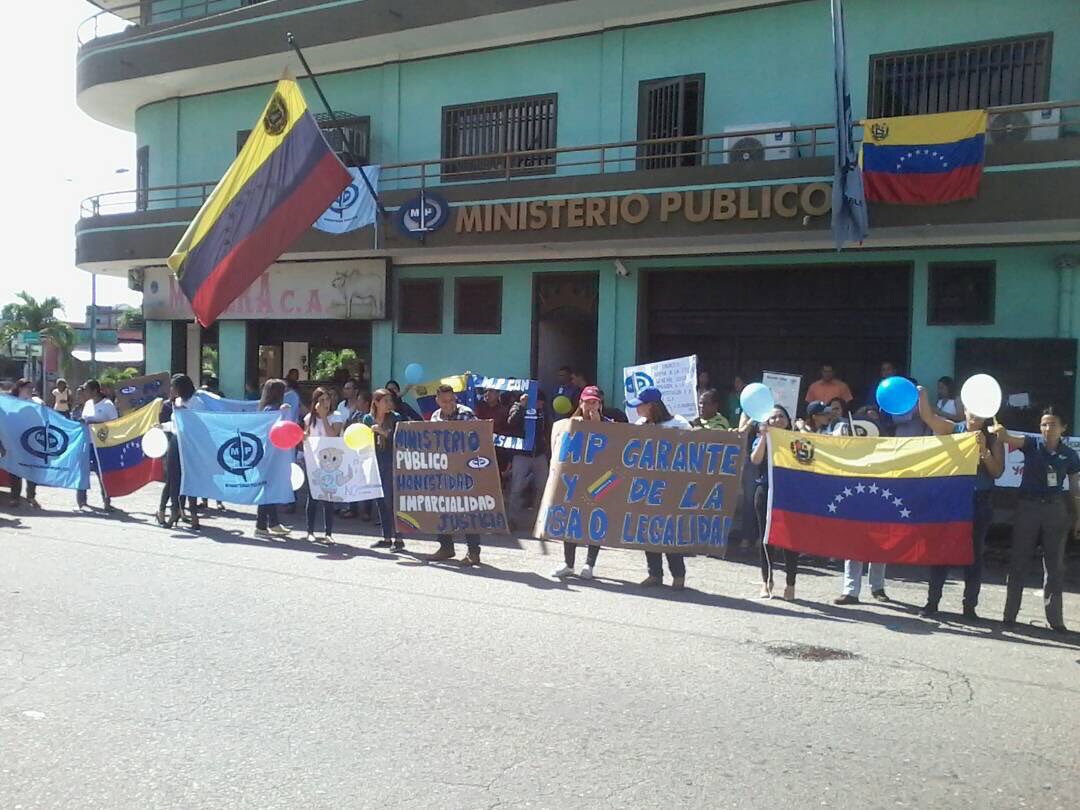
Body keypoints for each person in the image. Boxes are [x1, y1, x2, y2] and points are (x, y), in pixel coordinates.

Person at [916, 386, 1004, 620]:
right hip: (952, 501)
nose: (975, 417)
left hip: (979, 502)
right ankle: (932, 603)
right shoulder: (953, 429)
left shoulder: (993, 438)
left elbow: (997, 472)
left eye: (980, 413)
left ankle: (969, 608)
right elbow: (927, 417)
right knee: (942, 552)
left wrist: (984, 450)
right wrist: (923, 394)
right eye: (971, 411)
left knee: (973, 555)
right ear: (964, 411)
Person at [990, 407, 1080, 632]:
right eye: (1043, 424)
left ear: (1063, 428)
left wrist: (1077, 516)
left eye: (1052, 424)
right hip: (1027, 508)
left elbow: (1074, 488)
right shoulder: (1031, 443)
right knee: (1018, 560)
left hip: (1055, 511)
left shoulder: (1069, 455)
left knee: (1054, 566)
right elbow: (1009, 438)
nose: (1047, 429)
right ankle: (1009, 615)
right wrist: (1002, 432)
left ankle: (1056, 620)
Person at [629, 386, 691, 588]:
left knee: (669, 532)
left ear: (652, 406)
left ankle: (678, 575)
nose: (637, 410)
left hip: (673, 488)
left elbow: (693, 449)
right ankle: (654, 573)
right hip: (647, 487)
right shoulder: (640, 424)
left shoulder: (679, 423)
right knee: (649, 529)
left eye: (641, 406)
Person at [549, 388, 615, 579]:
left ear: (600, 405)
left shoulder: (611, 425)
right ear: (580, 403)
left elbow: (614, 451)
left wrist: (598, 425)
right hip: (574, 481)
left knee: (595, 520)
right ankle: (568, 564)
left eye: (594, 402)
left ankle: (589, 565)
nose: (591, 406)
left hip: (599, 481)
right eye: (587, 402)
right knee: (571, 520)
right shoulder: (569, 425)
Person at [426, 384, 483, 565]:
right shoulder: (435, 417)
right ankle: (446, 547)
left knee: (467, 511)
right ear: (437, 401)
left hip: (465, 471)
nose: (449, 404)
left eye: (451, 400)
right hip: (443, 472)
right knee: (442, 508)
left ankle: (473, 552)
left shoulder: (466, 414)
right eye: (444, 401)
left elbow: (479, 440)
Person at [749, 406, 799, 599]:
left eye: (781, 416)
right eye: (772, 417)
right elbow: (755, 460)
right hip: (765, 491)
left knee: (790, 540)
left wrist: (802, 430)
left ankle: (791, 584)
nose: (777, 420)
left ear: (788, 420)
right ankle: (766, 581)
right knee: (766, 538)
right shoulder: (763, 438)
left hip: (790, 494)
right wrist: (763, 436)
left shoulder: (796, 440)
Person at [157, 373, 203, 529]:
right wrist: (162, 427)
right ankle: (174, 511)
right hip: (176, 442)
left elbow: (200, 422)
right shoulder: (176, 401)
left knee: (190, 478)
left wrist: (184, 411)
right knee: (173, 478)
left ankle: (194, 515)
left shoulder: (196, 402)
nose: (172, 389)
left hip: (190, 443)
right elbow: (174, 424)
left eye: (174, 386)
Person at [364, 388, 405, 551]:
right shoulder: (368, 419)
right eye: (386, 401)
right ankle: (386, 537)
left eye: (390, 401)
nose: (390, 404)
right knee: (380, 499)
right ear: (376, 403)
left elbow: (399, 439)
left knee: (391, 501)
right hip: (374, 461)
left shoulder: (395, 418)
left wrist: (381, 431)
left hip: (390, 461)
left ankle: (399, 538)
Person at [507, 389, 550, 536]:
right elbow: (511, 423)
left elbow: (548, 429)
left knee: (543, 488)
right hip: (521, 454)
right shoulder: (518, 407)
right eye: (538, 402)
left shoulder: (543, 412)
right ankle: (512, 520)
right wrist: (522, 406)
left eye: (541, 403)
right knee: (517, 488)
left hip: (539, 454)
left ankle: (539, 521)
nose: (540, 405)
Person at [254, 379, 292, 539]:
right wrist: (284, 414)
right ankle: (264, 525)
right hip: (270, 456)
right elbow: (277, 430)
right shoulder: (273, 410)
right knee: (268, 490)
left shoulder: (266, 408)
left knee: (268, 489)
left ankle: (268, 524)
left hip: (268, 455)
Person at [301, 387, 340, 544]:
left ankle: (328, 533)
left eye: (327, 400)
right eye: (321, 400)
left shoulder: (336, 416)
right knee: (313, 497)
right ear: (315, 402)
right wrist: (304, 436)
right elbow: (307, 437)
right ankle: (310, 531)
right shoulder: (309, 418)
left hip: (331, 464)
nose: (325, 403)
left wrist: (324, 418)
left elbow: (332, 435)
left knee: (328, 499)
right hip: (314, 463)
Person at [76, 379, 117, 512]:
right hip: (86, 443)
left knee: (102, 474)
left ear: (94, 391)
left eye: (87, 390)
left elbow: (115, 423)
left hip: (101, 444)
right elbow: (84, 420)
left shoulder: (107, 405)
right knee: (83, 471)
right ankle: (81, 500)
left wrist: (95, 422)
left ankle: (106, 500)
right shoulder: (87, 403)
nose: (85, 392)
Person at [8, 379, 41, 509]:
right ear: (20, 388)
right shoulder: (11, 403)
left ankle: (31, 496)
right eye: (28, 387)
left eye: (32, 387)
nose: (30, 389)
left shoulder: (36, 403)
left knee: (31, 469)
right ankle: (15, 497)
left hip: (31, 442)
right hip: (14, 441)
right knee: (14, 470)